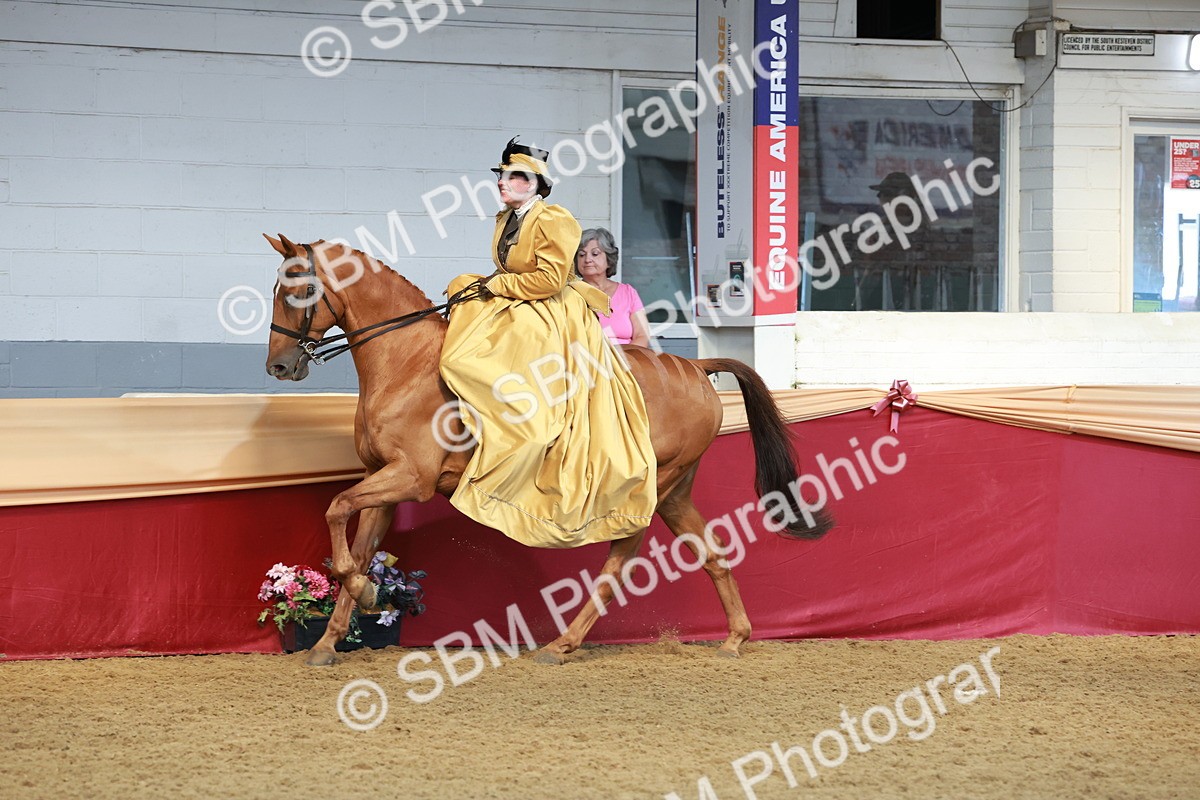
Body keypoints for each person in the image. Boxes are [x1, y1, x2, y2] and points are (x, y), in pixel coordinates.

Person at [439, 137, 658, 549]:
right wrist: (485, 285)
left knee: (516, 337)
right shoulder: (506, 218)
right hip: (523, 297)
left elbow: (549, 279)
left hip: (552, 306)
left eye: (513, 177)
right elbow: (507, 268)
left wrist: (498, 286)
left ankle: (528, 415)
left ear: (534, 185)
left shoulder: (555, 219)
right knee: (461, 285)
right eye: (503, 176)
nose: (503, 182)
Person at [576, 227, 651, 348]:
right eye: (581, 255)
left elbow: (642, 336)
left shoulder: (628, 293)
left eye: (595, 254)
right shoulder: (571, 294)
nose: (587, 259)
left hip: (629, 357)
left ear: (609, 259)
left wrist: (622, 357)